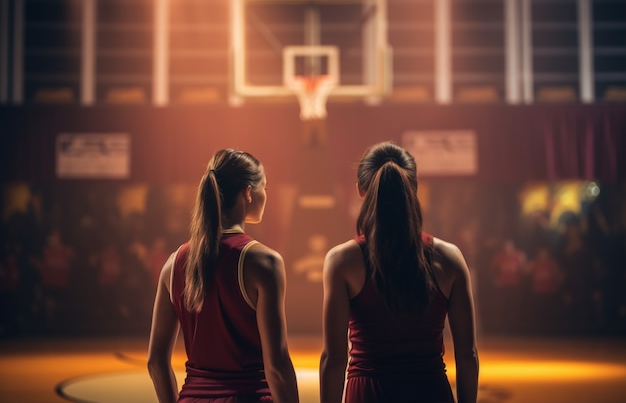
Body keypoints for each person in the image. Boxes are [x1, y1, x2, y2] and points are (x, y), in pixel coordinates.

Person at [320, 141, 479, 403]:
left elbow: (334, 358)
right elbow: (467, 355)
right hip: (429, 392)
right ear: (413, 188)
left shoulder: (342, 260)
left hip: (367, 394)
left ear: (360, 190)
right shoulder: (449, 258)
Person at [148, 149, 299, 403]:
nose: (266, 195)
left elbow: (156, 361)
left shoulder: (173, 263)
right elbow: (277, 366)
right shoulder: (264, 262)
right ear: (249, 193)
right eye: (265, 187)